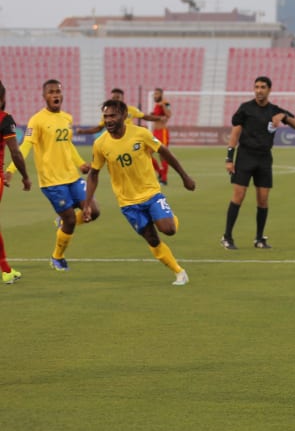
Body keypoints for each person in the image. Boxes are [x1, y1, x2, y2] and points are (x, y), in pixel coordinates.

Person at [82, 99, 195, 285]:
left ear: (124, 116)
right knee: (151, 238)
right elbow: (93, 174)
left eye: (112, 116)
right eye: (105, 116)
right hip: (127, 202)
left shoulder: (141, 134)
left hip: (151, 193)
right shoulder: (100, 144)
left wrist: (185, 177)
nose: (108, 120)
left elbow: (164, 152)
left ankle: (168, 216)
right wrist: (87, 204)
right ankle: (179, 272)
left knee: (169, 229)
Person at [6, 79, 98, 271]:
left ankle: (61, 223)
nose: (55, 95)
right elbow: (25, 147)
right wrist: (10, 170)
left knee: (94, 211)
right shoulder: (37, 120)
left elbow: (68, 145)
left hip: (72, 177)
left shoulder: (67, 118)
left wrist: (80, 163)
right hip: (52, 182)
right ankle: (57, 257)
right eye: (51, 92)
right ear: (44, 96)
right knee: (71, 221)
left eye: (58, 91)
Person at [221, 75, 295, 250]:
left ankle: (259, 239)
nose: (259, 90)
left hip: (264, 158)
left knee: (263, 200)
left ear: (269, 90)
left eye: (263, 87)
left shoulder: (275, 110)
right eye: (256, 87)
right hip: (245, 156)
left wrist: (284, 116)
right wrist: (229, 158)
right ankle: (227, 236)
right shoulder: (245, 108)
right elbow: (235, 133)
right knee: (238, 196)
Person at [1, 80, 33, 285]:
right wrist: (25, 176)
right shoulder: (5, 119)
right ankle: (5, 271)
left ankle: (6, 270)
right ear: (3, 98)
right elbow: (16, 152)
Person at [77, 88, 163, 135]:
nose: (115, 99)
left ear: (122, 98)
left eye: (117, 97)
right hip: (116, 138)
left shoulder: (131, 109)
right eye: (113, 97)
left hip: (130, 137)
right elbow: (99, 128)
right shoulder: (107, 113)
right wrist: (83, 131)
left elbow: (146, 117)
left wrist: (159, 118)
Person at [150, 88, 173, 185]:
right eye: (154, 94)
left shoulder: (165, 103)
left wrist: (163, 105)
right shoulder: (156, 105)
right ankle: (160, 172)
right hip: (155, 132)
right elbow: (157, 117)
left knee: (163, 155)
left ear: (161, 94)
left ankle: (164, 178)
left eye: (157, 94)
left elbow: (168, 114)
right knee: (148, 153)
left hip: (162, 132)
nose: (155, 96)